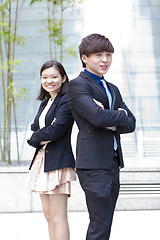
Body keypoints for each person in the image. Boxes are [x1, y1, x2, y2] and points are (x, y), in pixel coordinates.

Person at [68, 33, 136, 240]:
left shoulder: (113, 88)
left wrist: (114, 120)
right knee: (99, 223)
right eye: (98, 55)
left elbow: (131, 123)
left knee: (105, 221)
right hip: (93, 164)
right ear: (84, 57)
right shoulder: (78, 85)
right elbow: (97, 118)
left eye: (108, 54)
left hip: (112, 163)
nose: (105, 60)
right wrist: (118, 115)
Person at [27, 60, 76, 240]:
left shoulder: (66, 101)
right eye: (45, 77)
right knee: (49, 216)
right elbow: (35, 128)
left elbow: (55, 131)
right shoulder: (46, 101)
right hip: (43, 161)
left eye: (54, 77)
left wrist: (35, 137)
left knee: (58, 217)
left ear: (63, 78)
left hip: (58, 161)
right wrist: (39, 136)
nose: (49, 81)